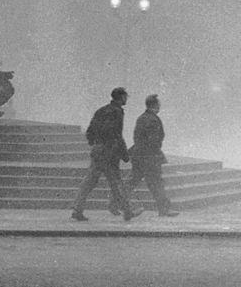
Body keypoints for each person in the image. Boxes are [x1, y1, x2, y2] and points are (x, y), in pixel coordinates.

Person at [71, 87, 142, 222]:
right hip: (110, 153)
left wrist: (97, 144)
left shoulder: (101, 110)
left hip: (98, 151)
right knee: (116, 183)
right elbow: (116, 134)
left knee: (89, 182)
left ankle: (77, 209)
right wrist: (124, 154)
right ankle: (128, 211)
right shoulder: (117, 112)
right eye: (125, 97)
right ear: (121, 97)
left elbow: (90, 131)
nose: (126, 99)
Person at [129, 94, 179, 217]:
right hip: (150, 157)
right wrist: (156, 153)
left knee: (133, 181)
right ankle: (164, 209)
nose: (159, 107)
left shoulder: (141, 118)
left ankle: (115, 203)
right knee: (156, 183)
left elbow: (137, 137)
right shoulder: (153, 119)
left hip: (139, 155)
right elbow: (155, 140)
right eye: (158, 105)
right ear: (155, 106)